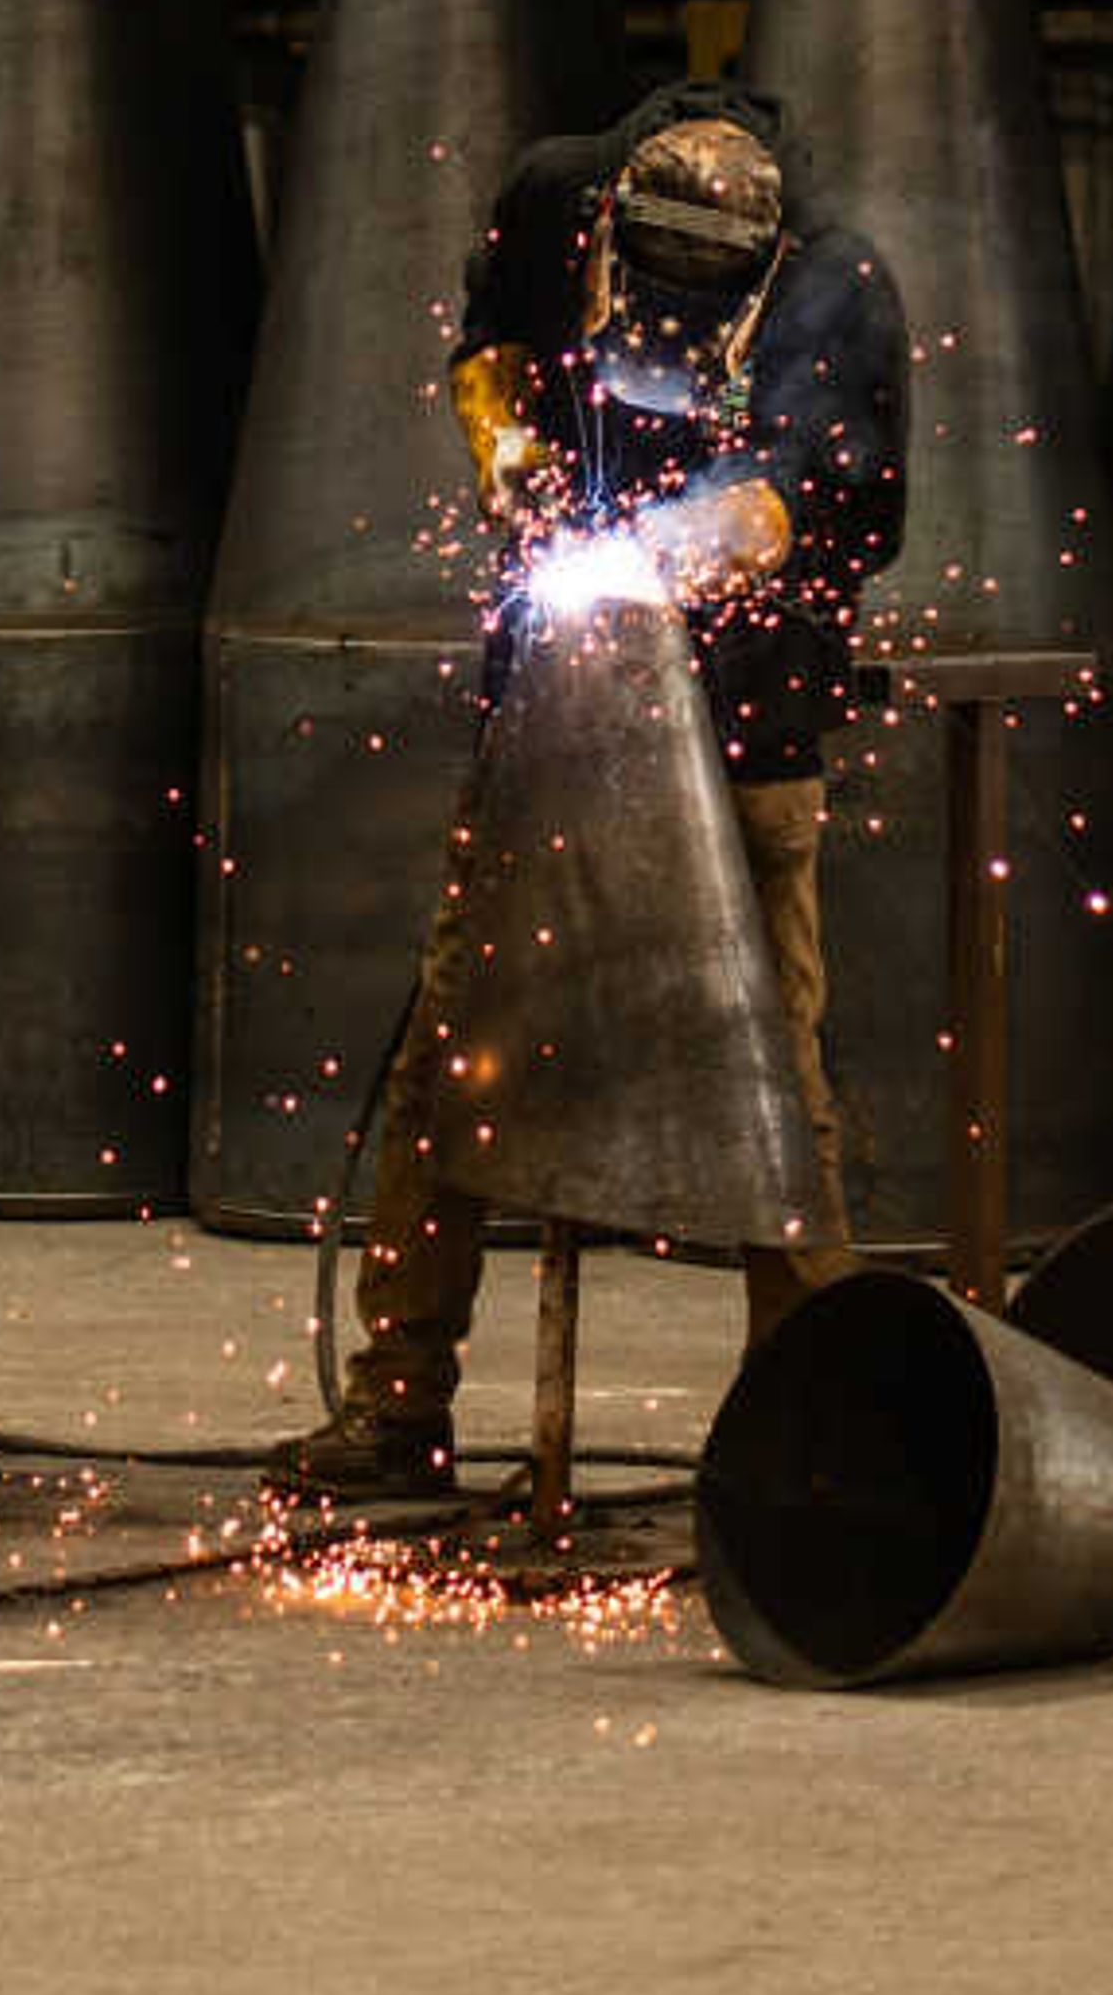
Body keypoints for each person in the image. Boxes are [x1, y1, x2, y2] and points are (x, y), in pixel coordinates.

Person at [269, 80, 908, 1499]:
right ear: (614, 225)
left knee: (768, 1072)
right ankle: (398, 1406)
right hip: (543, 726)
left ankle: (814, 1421)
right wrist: (507, 457)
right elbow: (490, 352)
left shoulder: (836, 290)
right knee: (460, 1053)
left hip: (751, 730)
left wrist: (673, 550)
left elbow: (813, 496)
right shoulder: (555, 201)